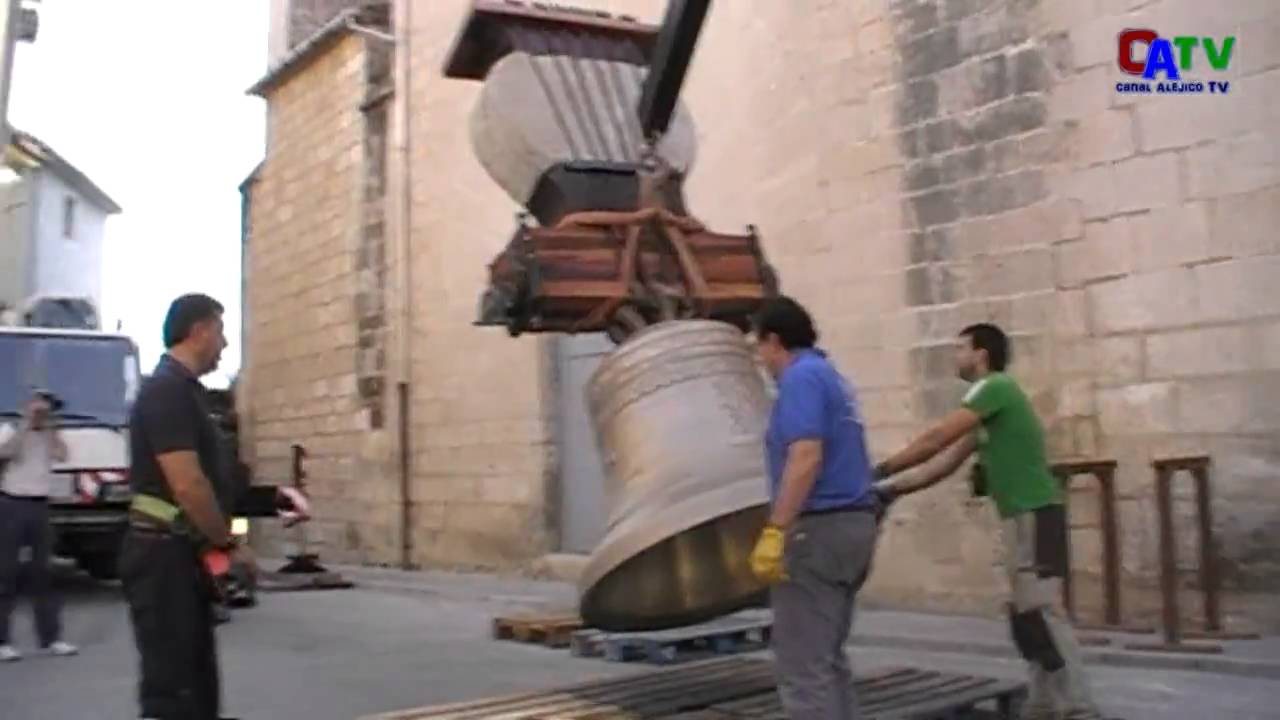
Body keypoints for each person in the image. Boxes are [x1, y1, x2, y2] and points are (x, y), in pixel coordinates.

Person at [871, 323, 1104, 720]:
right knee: (1024, 614)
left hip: (1037, 513)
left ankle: (1078, 707)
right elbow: (943, 465)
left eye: (960, 348)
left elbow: (936, 439)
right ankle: (1044, 703)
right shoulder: (986, 416)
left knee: (1043, 611)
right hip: (1020, 516)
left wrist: (880, 468)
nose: (955, 356)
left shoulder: (993, 387)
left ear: (981, 354)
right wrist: (889, 490)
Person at [746, 296, 880, 720]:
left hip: (816, 533)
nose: (760, 359)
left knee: (803, 668)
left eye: (759, 347)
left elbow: (806, 455)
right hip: (853, 527)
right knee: (828, 659)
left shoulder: (800, 378)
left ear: (774, 341)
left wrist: (776, 530)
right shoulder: (830, 376)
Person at [120, 293, 252, 720]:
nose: (226, 343)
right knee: (174, 690)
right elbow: (189, 485)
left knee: (195, 686)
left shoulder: (187, 393)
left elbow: (213, 481)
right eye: (220, 331)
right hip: (163, 559)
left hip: (180, 556)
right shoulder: (166, 393)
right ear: (198, 332)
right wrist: (227, 544)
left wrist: (268, 501)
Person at [0, 390, 79, 662]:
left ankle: (51, 638)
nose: (44, 413)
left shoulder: (49, 435)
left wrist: (51, 430)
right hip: (11, 503)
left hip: (40, 505)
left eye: (49, 409)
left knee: (43, 572)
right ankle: (2, 641)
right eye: (41, 408)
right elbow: (5, 453)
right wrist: (26, 424)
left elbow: (63, 455)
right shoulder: (9, 430)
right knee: (6, 572)